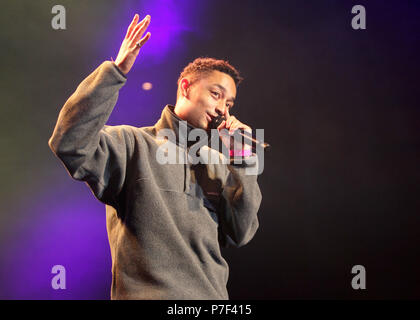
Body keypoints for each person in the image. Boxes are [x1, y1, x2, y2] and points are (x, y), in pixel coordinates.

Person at [48, 13, 262, 300]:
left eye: (229, 103)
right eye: (215, 94)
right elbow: (69, 143)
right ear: (185, 87)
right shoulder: (132, 143)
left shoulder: (219, 164)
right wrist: (116, 71)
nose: (223, 108)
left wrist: (243, 159)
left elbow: (242, 231)